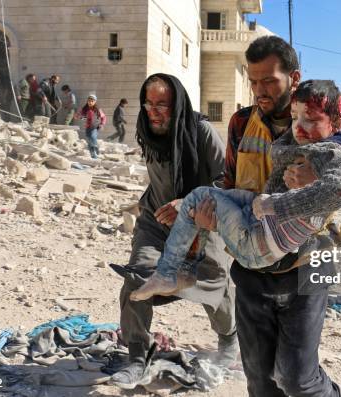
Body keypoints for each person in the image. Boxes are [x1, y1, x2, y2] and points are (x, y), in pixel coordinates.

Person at [193, 36, 341, 397]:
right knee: (261, 384)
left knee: (298, 379)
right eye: (253, 80)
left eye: (269, 81)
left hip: (306, 268)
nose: (259, 90)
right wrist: (208, 209)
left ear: (293, 78)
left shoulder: (328, 126)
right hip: (251, 269)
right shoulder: (240, 123)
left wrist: (325, 181)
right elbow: (229, 180)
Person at [129, 80, 341, 301]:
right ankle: (182, 268)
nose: (298, 127)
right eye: (295, 117)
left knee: (199, 197)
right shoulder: (300, 143)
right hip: (263, 228)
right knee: (198, 200)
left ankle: (170, 273)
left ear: (336, 124)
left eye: (311, 119)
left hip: (261, 243)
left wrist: (275, 206)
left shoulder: (333, 153)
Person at [109, 74, 237, 390]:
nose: (153, 111)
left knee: (214, 282)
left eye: (162, 105)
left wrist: (188, 202)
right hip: (158, 220)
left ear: (177, 104)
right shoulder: (145, 129)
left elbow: (228, 182)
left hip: (203, 222)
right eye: (148, 103)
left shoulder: (202, 131)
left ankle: (229, 339)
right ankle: (138, 357)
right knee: (138, 276)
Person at [76, 94, 106, 159]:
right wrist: (78, 116)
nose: (90, 102)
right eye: (89, 101)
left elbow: (103, 117)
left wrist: (102, 124)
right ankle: (93, 156)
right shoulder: (85, 109)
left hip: (95, 127)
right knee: (89, 141)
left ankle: (96, 148)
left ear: (95, 102)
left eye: (92, 101)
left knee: (93, 137)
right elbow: (83, 118)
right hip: (88, 127)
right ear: (87, 101)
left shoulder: (97, 109)